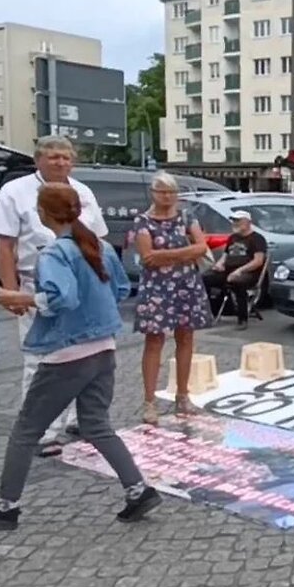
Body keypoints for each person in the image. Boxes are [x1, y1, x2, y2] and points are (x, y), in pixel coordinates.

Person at [0, 183, 161, 530]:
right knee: (97, 425)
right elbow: (120, 289)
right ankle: (137, 489)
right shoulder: (99, 246)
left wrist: (19, 298)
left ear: (43, 214)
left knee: (26, 430)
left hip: (67, 353)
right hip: (103, 348)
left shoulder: (55, 253)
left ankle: (6, 506)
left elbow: (60, 299)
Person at [0, 136, 108, 456]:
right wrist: (11, 290)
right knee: (39, 360)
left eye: (66, 157)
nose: (60, 162)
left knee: (81, 358)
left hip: (80, 288)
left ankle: (74, 420)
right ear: (38, 159)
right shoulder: (15, 191)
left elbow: (99, 241)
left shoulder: (83, 192)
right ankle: (40, 429)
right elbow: (4, 244)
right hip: (34, 283)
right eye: (53, 157)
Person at [132, 172, 214, 424]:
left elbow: (202, 247)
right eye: (161, 191)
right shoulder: (143, 221)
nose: (167, 196)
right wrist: (185, 253)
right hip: (157, 289)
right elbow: (148, 257)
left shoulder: (187, 216)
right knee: (154, 341)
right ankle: (149, 402)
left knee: (186, 338)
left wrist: (166, 255)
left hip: (185, 285)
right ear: (153, 193)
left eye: (171, 191)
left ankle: (183, 395)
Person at [203, 210, 267, 330]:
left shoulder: (257, 239)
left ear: (248, 222)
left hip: (249, 272)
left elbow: (258, 261)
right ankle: (209, 313)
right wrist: (219, 264)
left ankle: (242, 319)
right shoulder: (233, 238)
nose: (234, 223)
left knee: (237, 282)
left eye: (238, 221)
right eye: (233, 221)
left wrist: (239, 271)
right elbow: (225, 255)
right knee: (204, 278)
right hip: (228, 270)